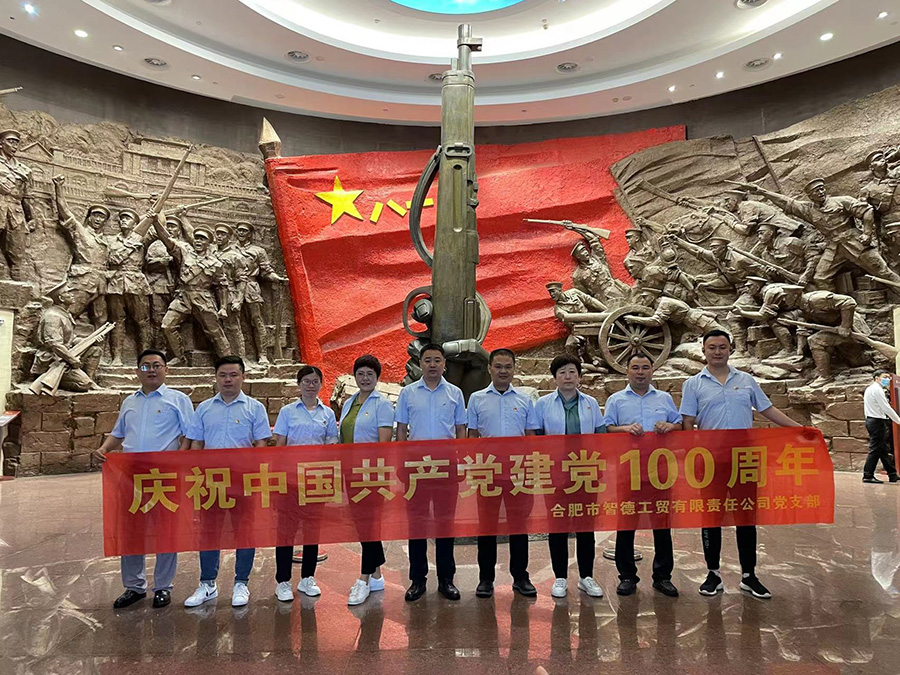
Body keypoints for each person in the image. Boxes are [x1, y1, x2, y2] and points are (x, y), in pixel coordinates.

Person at [680, 329, 801, 599]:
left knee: (746, 517)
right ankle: (713, 574)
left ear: (730, 349)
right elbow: (688, 422)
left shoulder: (746, 380)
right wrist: (692, 456)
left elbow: (768, 409)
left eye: (722, 347)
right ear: (704, 351)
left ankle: (749, 575)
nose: (717, 352)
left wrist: (799, 429)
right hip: (711, 462)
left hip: (743, 461)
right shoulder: (693, 384)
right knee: (711, 517)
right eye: (712, 347)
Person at [92, 349, 195, 609]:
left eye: (157, 365)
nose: (151, 370)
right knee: (131, 532)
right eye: (146, 366)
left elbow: (189, 435)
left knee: (165, 531)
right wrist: (104, 449)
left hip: (164, 476)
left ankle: (163, 586)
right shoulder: (130, 402)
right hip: (131, 477)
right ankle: (134, 587)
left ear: (166, 369)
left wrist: (179, 460)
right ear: (137, 371)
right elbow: (119, 434)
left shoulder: (178, 399)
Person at [183, 355, 272, 608]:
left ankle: (241, 582)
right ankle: (207, 583)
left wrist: (255, 475)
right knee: (209, 532)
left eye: (233, 375)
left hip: (242, 480)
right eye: (223, 375)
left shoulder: (255, 408)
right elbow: (197, 444)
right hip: (210, 481)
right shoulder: (204, 408)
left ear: (243, 377)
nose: (228, 380)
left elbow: (261, 444)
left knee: (244, 531)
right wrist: (196, 475)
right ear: (216, 378)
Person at [604, 353, 682, 597]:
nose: (640, 372)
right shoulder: (616, 400)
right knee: (627, 523)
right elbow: (606, 429)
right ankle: (627, 576)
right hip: (629, 471)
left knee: (662, 524)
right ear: (627, 371)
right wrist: (625, 429)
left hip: (660, 471)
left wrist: (670, 426)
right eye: (635, 368)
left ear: (652, 371)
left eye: (645, 367)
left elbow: (679, 424)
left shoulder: (664, 398)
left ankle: (663, 576)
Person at [395, 343, 467, 602]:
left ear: (444, 365)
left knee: (445, 524)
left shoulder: (455, 393)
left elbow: (461, 429)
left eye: (437, 360)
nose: (433, 364)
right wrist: (401, 462)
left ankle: (446, 579)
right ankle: (417, 579)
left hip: (446, 466)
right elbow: (401, 430)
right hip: (417, 467)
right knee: (417, 524)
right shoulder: (408, 393)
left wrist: (460, 462)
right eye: (428, 360)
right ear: (421, 364)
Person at [467, 348, 540, 598]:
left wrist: (531, 467)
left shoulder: (525, 400)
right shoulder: (476, 399)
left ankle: (520, 577)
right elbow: (472, 436)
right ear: (489, 368)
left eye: (508, 367)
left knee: (519, 526)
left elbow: (531, 436)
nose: (503, 371)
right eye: (498, 366)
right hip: (488, 472)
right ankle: (485, 579)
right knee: (487, 527)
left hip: (518, 472)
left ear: (514, 369)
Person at [533, 354, 605, 599]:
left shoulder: (590, 403)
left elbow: (600, 436)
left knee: (586, 526)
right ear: (555, 377)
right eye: (562, 372)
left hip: (585, 473)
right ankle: (560, 577)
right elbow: (536, 438)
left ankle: (586, 576)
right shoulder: (543, 404)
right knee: (558, 526)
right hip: (555, 474)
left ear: (579, 376)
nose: (567, 376)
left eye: (572, 372)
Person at [272, 365, 338, 601]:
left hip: (316, 480)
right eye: (306, 381)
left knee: (312, 531)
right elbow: (280, 446)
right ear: (299, 384)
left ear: (321, 384)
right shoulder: (287, 412)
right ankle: (283, 581)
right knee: (286, 531)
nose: (311, 385)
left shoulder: (327, 414)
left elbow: (331, 446)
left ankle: (308, 578)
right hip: (290, 480)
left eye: (315, 381)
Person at [339, 354, 395, 606]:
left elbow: (384, 444)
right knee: (363, 525)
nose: (364, 378)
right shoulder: (349, 403)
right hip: (350, 472)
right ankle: (377, 574)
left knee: (369, 524)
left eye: (370, 374)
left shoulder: (382, 404)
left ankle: (363, 578)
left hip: (372, 474)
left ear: (377, 378)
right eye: (360, 374)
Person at [862, 370, 900, 484]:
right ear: (876, 378)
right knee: (875, 449)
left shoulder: (870, 389)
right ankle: (868, 475)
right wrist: (898, 420)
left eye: (889, 377)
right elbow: (886, 408)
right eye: (885, 377)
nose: (887, 379)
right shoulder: (877, 390)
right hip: (877, 421)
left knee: (882, 449)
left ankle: (892, 474)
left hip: (872, 420)